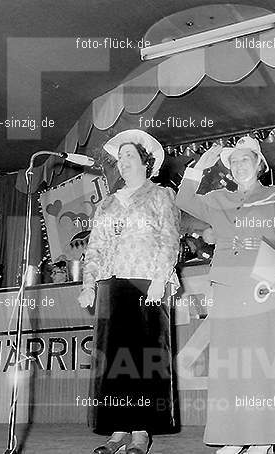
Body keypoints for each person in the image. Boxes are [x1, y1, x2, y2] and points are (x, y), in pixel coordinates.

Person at [176, 137, 275, 454]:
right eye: (233, 162)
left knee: (264, 362)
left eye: (245, 159)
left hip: (263, 284)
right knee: (231, 365)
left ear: (259, 163)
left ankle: (264, 439)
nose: (239, 165)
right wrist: (199, 167)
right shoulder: (218, 198)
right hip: (226, 287)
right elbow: (183, 198)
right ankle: (234, 435)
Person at [77, 129, 180, 454]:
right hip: (112, 284)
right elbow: (95, 247)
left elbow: (169, 239)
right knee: (114, 361)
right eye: (119, 158)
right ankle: (118, 428)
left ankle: (141, 431)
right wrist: (89, 285)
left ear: (145, 162)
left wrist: (161, 279)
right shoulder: (107, 204)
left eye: (129, 156)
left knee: (143, 360)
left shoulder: (160, 195)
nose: (123, 163)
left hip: (147, 284)